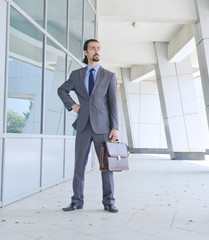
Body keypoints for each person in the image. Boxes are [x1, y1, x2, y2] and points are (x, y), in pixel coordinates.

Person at [58, 39, 119, 213]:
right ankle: (77, 201)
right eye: (92, 48)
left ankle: (108, 202)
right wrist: (73, 105)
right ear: (85, 52)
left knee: (106, 167)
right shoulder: (77, 75)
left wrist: (114, 127)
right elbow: (62, 90)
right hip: (83, 127)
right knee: (79, 165)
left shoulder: (109, 76)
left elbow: (113, 103)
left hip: (103, 128)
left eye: (98, 48)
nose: (96, 51)